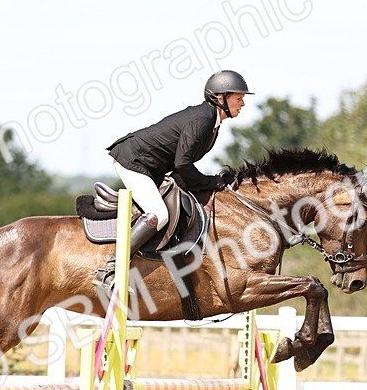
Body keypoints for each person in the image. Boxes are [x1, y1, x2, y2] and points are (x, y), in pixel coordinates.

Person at [92, 69, 253, 293]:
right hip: (134, 161)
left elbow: (181, 168)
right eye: (238, 98)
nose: (243, 103)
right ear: (220, 98)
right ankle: (110, 270)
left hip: (153, 168)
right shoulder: (203, 119)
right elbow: (182, 164)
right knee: (159, 214)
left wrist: (210, 183)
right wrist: (211, 182)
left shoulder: (212, 123)